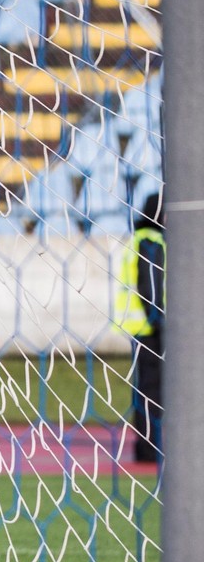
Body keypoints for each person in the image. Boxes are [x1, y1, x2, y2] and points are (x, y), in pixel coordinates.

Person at [114, 192, 165, 463]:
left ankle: (148, 446)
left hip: (140, 327)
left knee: (147, 389)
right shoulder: (150, 242)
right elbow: (150, 288)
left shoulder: (139, 239)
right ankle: (149, 449)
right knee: (151, 390)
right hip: (150, 329)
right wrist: (161, 324)